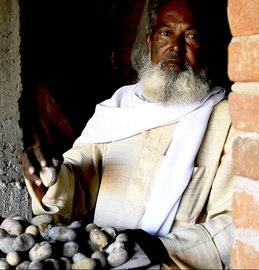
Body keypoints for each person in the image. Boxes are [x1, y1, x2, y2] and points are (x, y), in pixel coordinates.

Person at [22, 0, 237, 268]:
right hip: (103, 260)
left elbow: (235, 224)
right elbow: (76, 179)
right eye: (166, 33)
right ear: (150, 43)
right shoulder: (119, 109)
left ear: (207, 47)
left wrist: (160, 249)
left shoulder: (229, 121)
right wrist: (48, 173)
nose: (176, 48)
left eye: (191, 36)